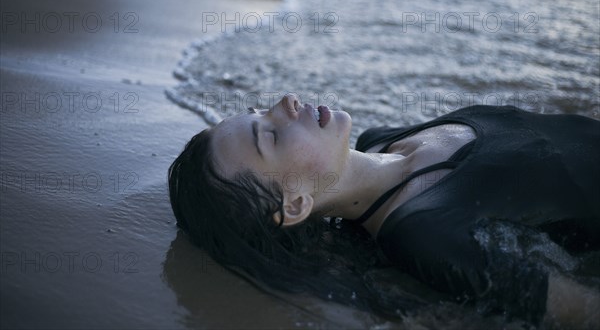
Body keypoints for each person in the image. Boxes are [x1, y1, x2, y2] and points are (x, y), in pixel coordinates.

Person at [168, 94, 600, 328]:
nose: (285, 103)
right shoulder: (422, 234)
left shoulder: (382, 139)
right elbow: (582, 309)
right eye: (272, 137)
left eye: (259, 111)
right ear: (296, 204)